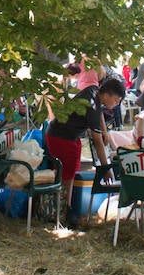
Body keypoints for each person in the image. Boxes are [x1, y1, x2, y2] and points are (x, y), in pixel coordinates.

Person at [45, 77, 121, 225]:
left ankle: (65, 209)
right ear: (107, 95)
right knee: (66, 174)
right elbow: (97, 142)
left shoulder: (93, 91)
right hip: (61, 137)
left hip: (68, 136)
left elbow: (99, 115)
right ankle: (63, 212)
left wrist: (105, 131)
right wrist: (105, 168)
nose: (116, 104)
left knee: (70, 171)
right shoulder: (91, 107)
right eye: (116, 100)